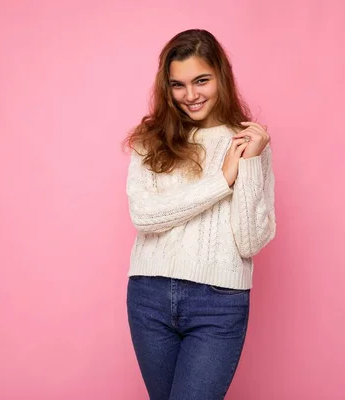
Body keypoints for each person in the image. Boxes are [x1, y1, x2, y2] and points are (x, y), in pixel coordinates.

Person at [122, 29, 276, 400]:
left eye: (201, 80)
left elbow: (250, 240)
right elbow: (144, 216)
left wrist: (250, 164)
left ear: (221, 76)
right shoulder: (149, 140)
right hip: (149, 295)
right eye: (178, 85)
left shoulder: (247, 143)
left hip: (219, 302)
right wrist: (222, 180)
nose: (190, 96)